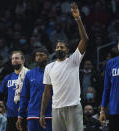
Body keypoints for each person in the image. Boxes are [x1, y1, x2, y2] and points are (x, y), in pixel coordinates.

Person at [40, 3, 88, 131]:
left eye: (61, 47)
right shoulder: (49, 67)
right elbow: (46, 92)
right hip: (56, 109)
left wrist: (78, 19)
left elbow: (84, 39)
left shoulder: (74, 60)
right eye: (57, 47)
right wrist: (42, 113)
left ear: (67, 50)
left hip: (73, 108)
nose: (58, 49)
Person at [16, 48, 52, 131]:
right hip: (33, 115)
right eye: (37, 55)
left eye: (41, 55)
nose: (38, 57)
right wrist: (20, 116)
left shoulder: (53, 73)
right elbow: (24, 96)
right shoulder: (29, 74)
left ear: (47, 57)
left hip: (50, 115)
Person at [0, 51, 28, 131]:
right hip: (11, 114)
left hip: (26, 114)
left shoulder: (29, 75)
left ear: (23, 60)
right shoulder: (8, 77)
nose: (14, 60)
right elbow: (0, 95)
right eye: (13, 58)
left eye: (17, 58)